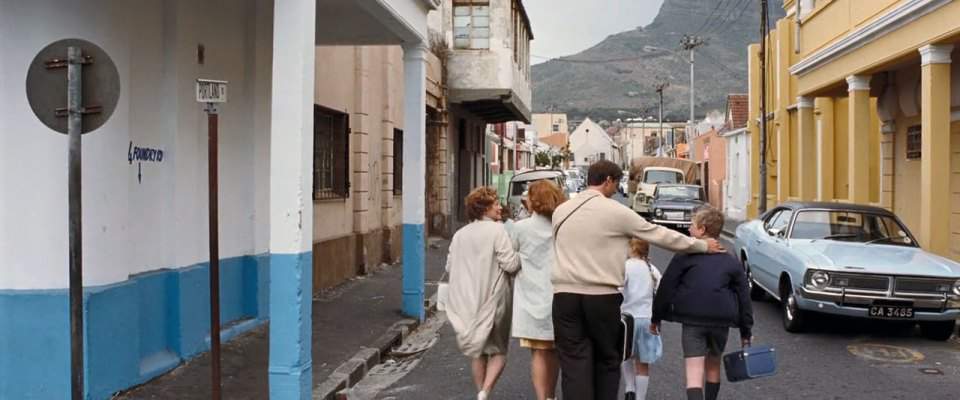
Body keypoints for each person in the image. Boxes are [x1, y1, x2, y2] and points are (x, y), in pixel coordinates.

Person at [551, 160, 723, 400]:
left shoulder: (562, 211)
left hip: (564, 296)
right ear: (608, 181)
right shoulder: (616, 211)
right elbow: (658, 234)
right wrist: (701, 245)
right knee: (607, 359)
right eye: (616, 182)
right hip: (602, 296)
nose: (616, 188)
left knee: (573, 361)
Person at [651, 206, 754, 400]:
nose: (689, 229)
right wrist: (745, 332)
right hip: (721, 321)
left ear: (703, 230)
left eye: (692, 225)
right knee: (713, 366)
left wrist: (656, 318)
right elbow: (743, 297)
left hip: (693, 320)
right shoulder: (731, 260)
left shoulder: (685, 255)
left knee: (694, 373)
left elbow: (667, 286)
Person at [445, 187, 521, 400]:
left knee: (478, 351)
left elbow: (450, 266)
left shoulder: (460, 234)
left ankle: (480, 392)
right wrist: (522, 256)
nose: (500, 207)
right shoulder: (498, 231)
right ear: (485, 208)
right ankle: (485, 391)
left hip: (468, 300)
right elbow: (510, 264)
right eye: (495, 204)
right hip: (494, 298)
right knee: (498, 350)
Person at [508, 181, 566, 400]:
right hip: (560, 295)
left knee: (539, 353)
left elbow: (511, 261)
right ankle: (552, 394)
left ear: (534, 200)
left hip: (532, 297)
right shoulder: (561, 226)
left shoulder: (520, 228)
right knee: (556, 351)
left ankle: (544, 398)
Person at [620, 239, 662, 400]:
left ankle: (629, 388)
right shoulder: (651, 268)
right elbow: (661, 288)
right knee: (643, 361)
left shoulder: (626, 267)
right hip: (647, 318)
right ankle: (640, 397)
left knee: (625, 354)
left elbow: (619, 288)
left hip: (627, 318)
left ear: (630, 248)